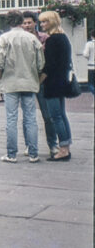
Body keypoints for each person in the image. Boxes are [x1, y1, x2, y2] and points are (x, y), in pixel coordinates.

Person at [0, 10, 44, 163]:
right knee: (31, 118)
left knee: (11, 119)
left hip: (10, 83)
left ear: (8, 22)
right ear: (21, 21)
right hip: (29, 82)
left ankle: (11, 154)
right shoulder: (32, 39)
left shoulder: (4, 38)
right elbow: (41, 64)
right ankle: (33, 153)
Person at [39, 11, 73, 162]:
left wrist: (39, 81)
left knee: (55, 116)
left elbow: (49, 66)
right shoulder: (64, 37)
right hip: (62, 81)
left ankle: (63, 150)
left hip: (52, 83)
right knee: (62, 115)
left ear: (52, 22)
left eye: (44, 22)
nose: (41, 25)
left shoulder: (52, 40)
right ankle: (66, 146)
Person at [22, 10, 57, 157]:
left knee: (48, 115)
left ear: (35, 23)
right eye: (24, 23)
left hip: (42, 80)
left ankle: (53, 144)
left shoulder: (45, 38)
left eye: (29, 22)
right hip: (26, 80)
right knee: (27, 116)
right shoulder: (20, 38)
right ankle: (29, 145)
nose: (27, 25)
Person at [82, 30, 95, 96]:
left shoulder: (89, 44)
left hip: (91, 67)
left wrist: (89, 58)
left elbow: (85, 54)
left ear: (91, 36)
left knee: (90, 84)